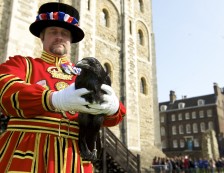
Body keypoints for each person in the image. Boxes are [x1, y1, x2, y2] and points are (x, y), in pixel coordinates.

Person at [0, 2, 126, 173]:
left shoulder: (84, 74)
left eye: (65, 33)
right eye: (53, 31)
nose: (59, 36)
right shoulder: (23, 64)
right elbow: (5, 89)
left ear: (71, 40)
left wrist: (112, 108)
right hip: (28, 154)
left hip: (74, 159)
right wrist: (53, 99)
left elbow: (112, 117)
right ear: (42, 36)